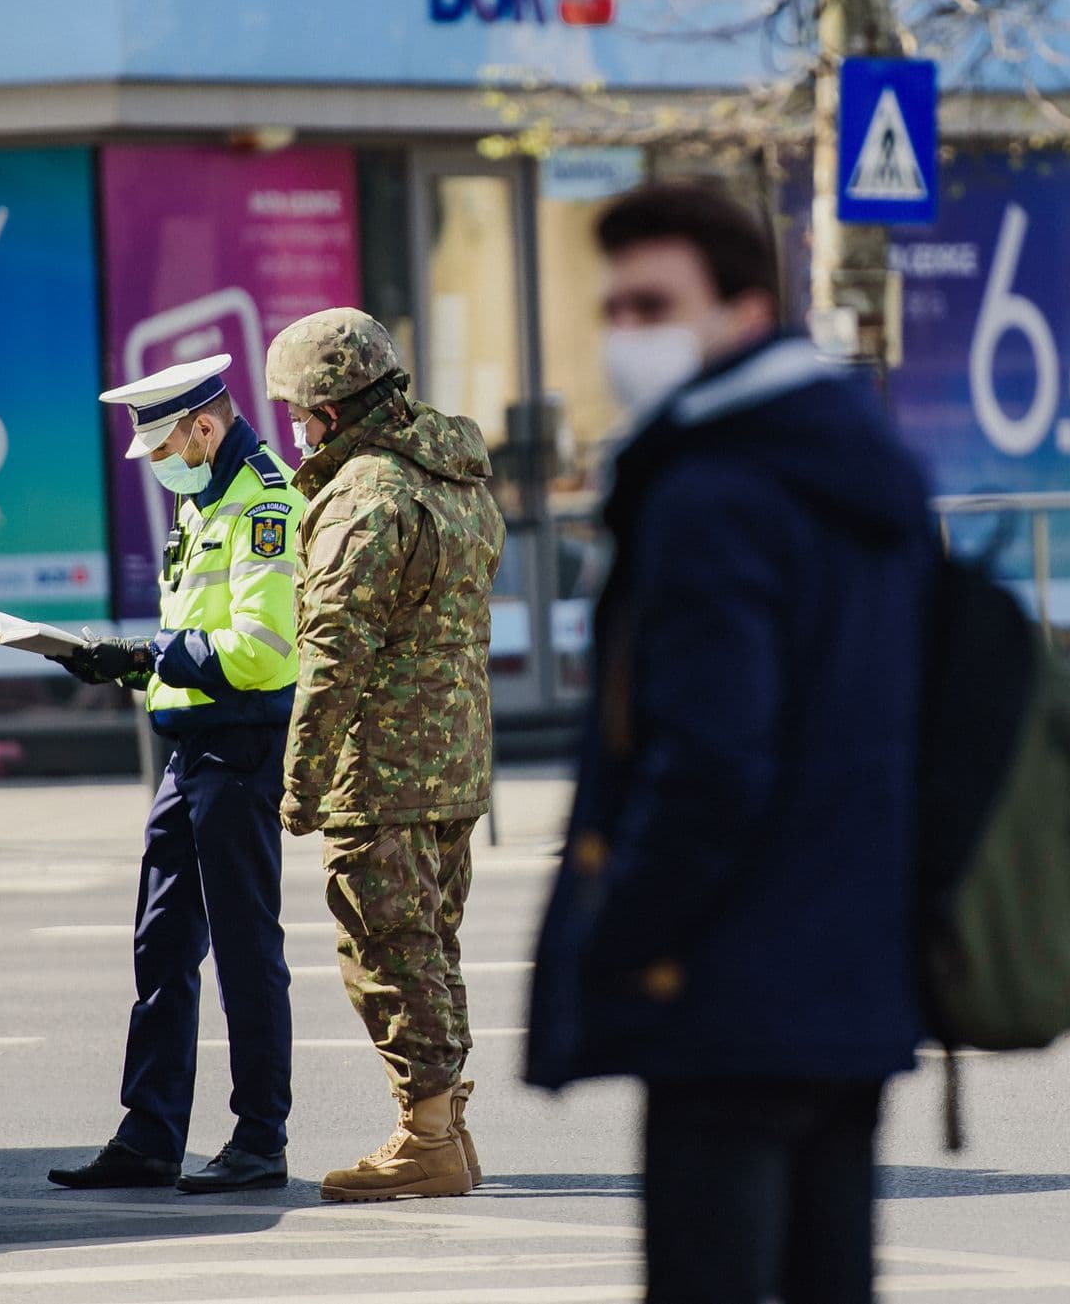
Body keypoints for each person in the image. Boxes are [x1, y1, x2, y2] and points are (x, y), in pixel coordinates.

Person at [525, 182, 934, 1302]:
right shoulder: (861, 469)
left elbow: (712, 759)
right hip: (849, 973)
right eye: (613, 308)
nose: (626, 335)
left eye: (653, 304)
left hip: (726, 984)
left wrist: (620, 936)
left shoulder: (712, 494)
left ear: (745, 311)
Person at [264, 309, 504, 1202]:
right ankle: (447, 1126)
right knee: (429, 945)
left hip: (384, 765)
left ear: (330, 408)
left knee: (387, 953)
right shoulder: (454, 475)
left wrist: (300, 784)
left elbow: (334, 650)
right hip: (454, 755)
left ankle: (428, 1133)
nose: (292, 427)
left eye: (296, 410)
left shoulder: (366, 494)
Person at [47, 353, 302, 1194]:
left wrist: (150, 652)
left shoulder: (264, 501)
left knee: (243, 947)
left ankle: (260, 1135)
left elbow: (261, 657)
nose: (159, 463)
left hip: (240, 752)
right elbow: (194, 645)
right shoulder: (203, 505)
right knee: (162, 945)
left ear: (205, 425)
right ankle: (150, 1132)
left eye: (164, 445)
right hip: (190, 750)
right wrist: (115, 662)